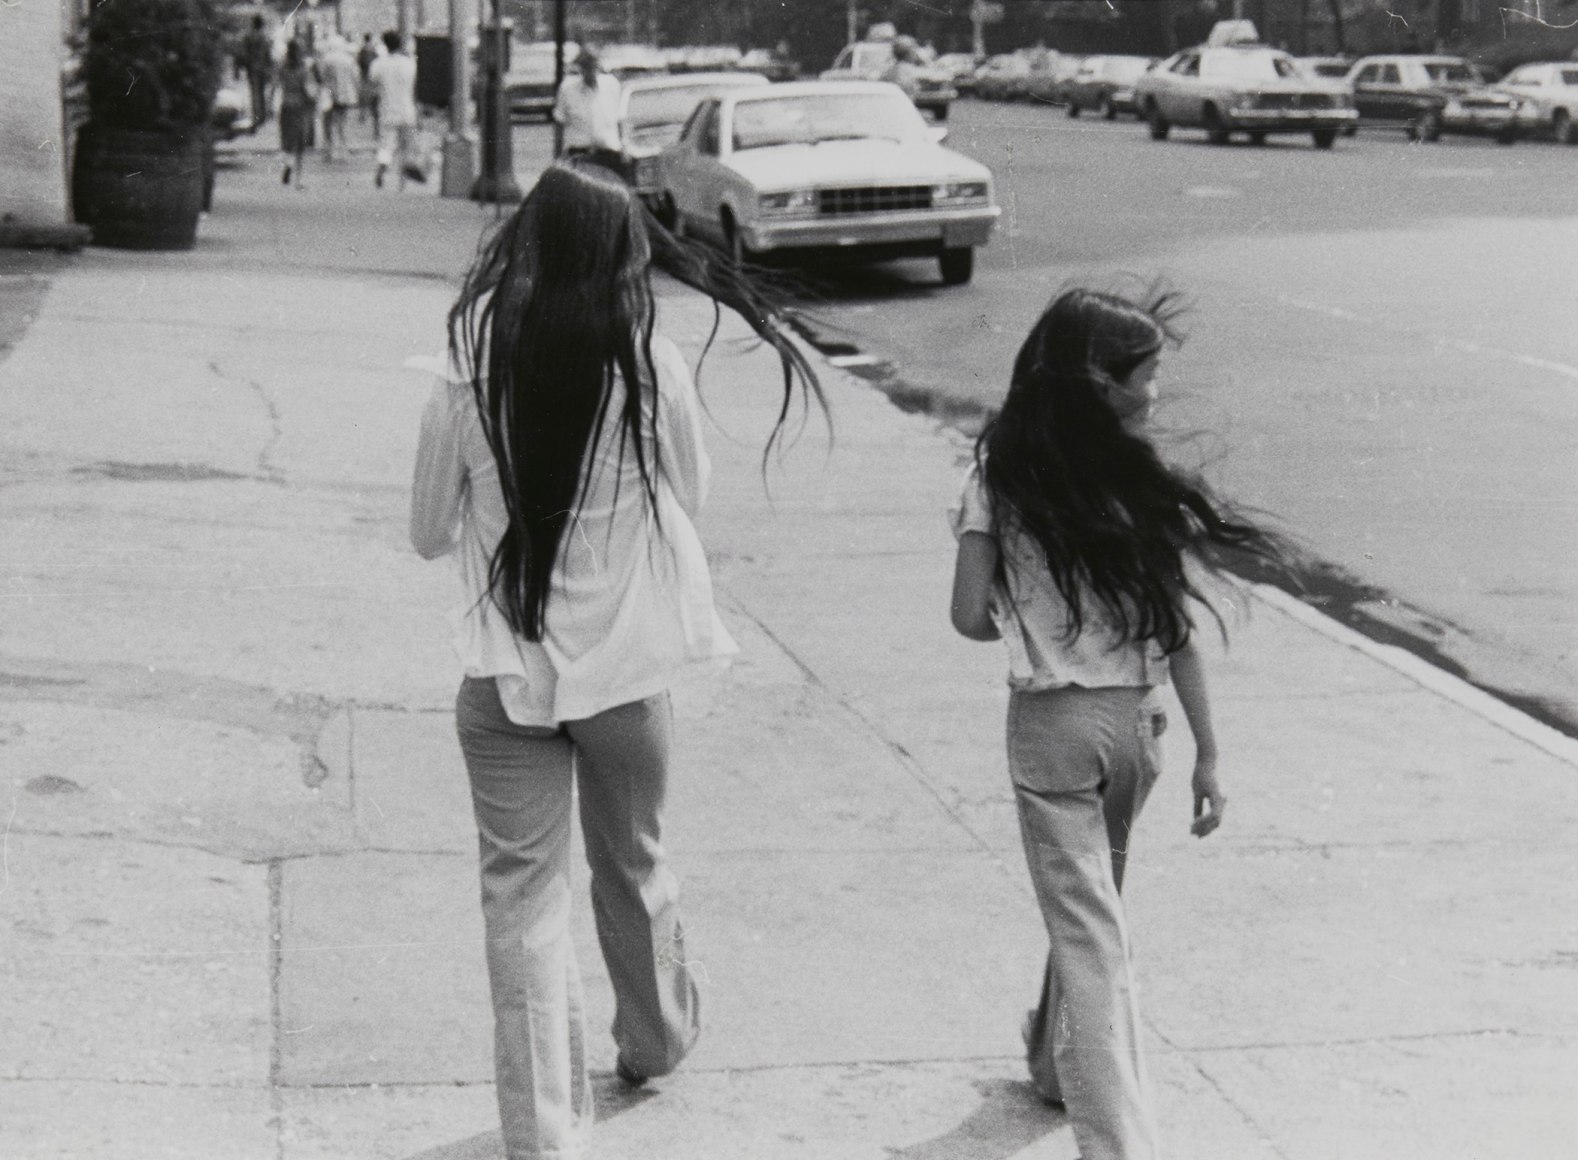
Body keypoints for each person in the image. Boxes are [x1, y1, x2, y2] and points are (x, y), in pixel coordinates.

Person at [410, 161, 820, 1160]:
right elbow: (690, 487)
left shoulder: (466, 368)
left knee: (521, 901)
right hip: (626, 676)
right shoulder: (647, 363)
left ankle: (543, 1136)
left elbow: (427, 532)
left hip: (506, 681)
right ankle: (655, 1036)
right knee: (633, 864)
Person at [948, 288, 1287, 1160]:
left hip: (1050, 729)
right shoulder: (1137, 484)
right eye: (1148, 375)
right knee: (1094, 912)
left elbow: (965, 616)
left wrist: (1019, 618)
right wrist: (1211, 755)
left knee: (1086, 926)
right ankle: (1054, 1065)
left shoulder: (1000, 475)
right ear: (1102, 382)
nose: (1156, 391)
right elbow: (1175, 635)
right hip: (1135, 730)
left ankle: (1117, 1146)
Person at [552, 49, 622, 172]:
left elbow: (619, 119)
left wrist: (623, 146)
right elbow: (559, 123)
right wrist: (557, 158)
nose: (590, 70)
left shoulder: (612, 85)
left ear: (599, 65)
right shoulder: (567, 89)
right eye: (586, 66)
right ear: (580, 68)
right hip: (580, 155)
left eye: (593, 65)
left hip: (609, 154)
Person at [367, 30, 421, 188]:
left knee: (386, 144)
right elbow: (414, 86)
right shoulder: (409, 63)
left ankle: (381, 169)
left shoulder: (379, 64)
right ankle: (402, 181)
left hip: (387, 107)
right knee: (406, 145)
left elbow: (372, 82)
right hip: (407, 108)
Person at [277, 39, 319, 188]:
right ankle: (298, 180)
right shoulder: (304, 70)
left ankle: (288, 164)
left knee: (287, 140)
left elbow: (278, 85)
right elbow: (309, 91)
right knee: (300, 144)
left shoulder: (283, 68)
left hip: (285, 105)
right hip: (300, 107)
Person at [317, 35, 362, 162]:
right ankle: (343, 149)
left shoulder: (327, 59)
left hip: (330, 94)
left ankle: (328, 151)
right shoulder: (349, 59)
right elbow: (356, 76)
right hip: (345, 95)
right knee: (342, 122)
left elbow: (322, 76)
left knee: (327, 123)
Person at [241, 15, 275, 128]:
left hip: (252, 67)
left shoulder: (248, 36)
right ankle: (263, 116)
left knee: (255, 93)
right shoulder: (265, 37)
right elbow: (268, 54)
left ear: (253, 23)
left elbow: (245, 53)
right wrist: (269, 67)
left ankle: (256, 116)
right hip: (263, 68)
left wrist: (246, 65)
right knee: (262, 92)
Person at [356, 32, 380, 130]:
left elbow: (358, 62)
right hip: (372, 78)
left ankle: (363, 115)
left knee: (364, 98)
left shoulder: (362, 50)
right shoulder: (374, 49)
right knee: (373, 99)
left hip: (364, 76)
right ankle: (374, 121)